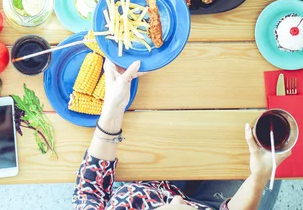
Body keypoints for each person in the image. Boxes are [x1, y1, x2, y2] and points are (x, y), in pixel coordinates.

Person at [73, 60, 290, 210]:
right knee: (269, 163)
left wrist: (113, 109)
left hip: (147, 184)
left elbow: (89, 193)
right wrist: (259, 176)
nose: (176, 198)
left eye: (169, 206)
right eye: (183, 206)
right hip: (213, 204)